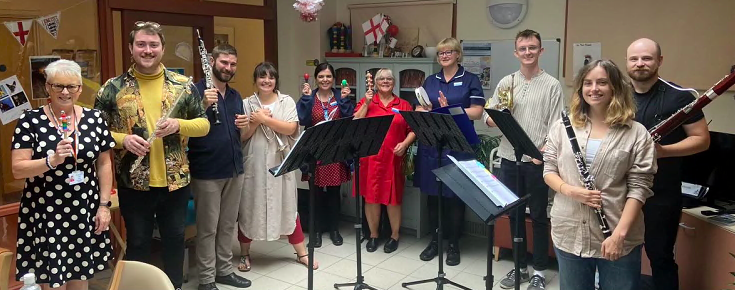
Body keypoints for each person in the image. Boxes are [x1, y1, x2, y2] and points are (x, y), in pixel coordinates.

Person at [94, 21, 210, 290]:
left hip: (175, 182)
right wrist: (124, 139)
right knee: (137, 243)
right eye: (141, 44)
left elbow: (203, 125)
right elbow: (97, 133)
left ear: (163, 49)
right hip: (133, 183)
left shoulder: (182, 85)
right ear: (131, 49)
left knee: (174, 240)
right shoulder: (112, 88)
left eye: (153, 45)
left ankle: (174, 287)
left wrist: (178, 124)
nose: (147, 50)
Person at [543, 59, 657, 290]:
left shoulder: (637, 133)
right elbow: (549, 170)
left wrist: (619, 236)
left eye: (602, 82)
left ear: (614, 87)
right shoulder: (562, 127)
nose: (594, 89)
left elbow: (639, 189)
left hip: (616, 233)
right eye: (588, 83)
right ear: (580, 88)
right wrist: (570, 190)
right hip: (569, 230)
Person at [11, 59, 114, 290]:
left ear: (80, 89)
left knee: (81, 277)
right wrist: (51, 160)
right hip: (46, 211)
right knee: (52, 281)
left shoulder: (95, 119)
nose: (65, 92)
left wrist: (104, 205)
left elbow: (104, 164)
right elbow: (18, 169)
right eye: (58, 86)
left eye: (72, 86)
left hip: (84, 209)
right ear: (47, 87)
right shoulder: (30, 120)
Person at [626, 38, 710, 290]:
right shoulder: (616, 95)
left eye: (647, 58)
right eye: (634, 59)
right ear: (627, 62)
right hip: (621, 191)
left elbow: (702, 140)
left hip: (661, 193)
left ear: (659, 61)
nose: (640, 64)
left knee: (660, 256)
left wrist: (662, 151)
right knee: (621, 255)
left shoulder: (680, 96)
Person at [483, 29, 563, 290]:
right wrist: (497, 115)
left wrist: (543, 153)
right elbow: (488, 117)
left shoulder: (552, 85)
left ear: (541, 51)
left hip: (537, 163)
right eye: (523, 48)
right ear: (516, 52)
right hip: (508, 158)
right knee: (514, 215)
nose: (528, 52)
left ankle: (539, 270)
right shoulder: (507, 82)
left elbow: (556, 127)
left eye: (533, 47)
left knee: (539, 216)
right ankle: (520, 267)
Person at [237, 62, 318, 270]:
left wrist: (263, 119)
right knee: (249, 206)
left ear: (275, 81)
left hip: (281, 161)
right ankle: (245, 254)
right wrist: (254, 122)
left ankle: (301, 254)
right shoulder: (246, 103)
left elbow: (291, 128)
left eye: (271, 77)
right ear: (255, 80)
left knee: (287, 206)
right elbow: (243, 136)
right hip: (254, 163)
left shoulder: (287, 101)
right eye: (262, 77)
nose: (266, 81)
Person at [414, 37, 485, 266]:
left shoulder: (470, 79)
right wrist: (425, 109)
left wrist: (450, 110)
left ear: (457, 55)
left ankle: (453, 244)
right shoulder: (430, 80)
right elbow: (419, 107)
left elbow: (476, 112)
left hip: (458, 145)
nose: (444, 56)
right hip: (432, 144)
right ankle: (435, 241)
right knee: (433, 196)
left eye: (449, 52)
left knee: (455, 196)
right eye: (441, 53)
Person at [189, 44, 252, 290]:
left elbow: (243, 136)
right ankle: (206, 279)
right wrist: (203, 104)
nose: (228, 68)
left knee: (227, 224)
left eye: (233, 64)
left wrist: (245, 124)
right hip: (207, 170)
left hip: (234, 168)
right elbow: (184, 128)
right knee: (207, 229)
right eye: (224, 62)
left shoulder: (236, 97)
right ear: (212, 61)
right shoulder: (195, 91)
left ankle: (224, 270)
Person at [354, 68, 416, 253]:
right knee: (371, 198)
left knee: (393, 199)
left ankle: (394, 236)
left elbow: (414, 129)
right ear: (376, 82)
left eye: (389, 78)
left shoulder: (404, 105)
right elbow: (355, 121)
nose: (385, 81)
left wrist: (404, 144)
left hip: (393, 159)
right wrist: (366, 102)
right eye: (381, 79)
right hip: (370, 159)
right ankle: (373, 235)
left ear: (394, 82)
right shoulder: (367, 102)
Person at [297, 62, 354, 248]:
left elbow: (349, 120)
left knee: (333, 193)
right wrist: (305, 99)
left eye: (329, 76)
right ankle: (315, 231)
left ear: (334, 79)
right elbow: (303, 120)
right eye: (321, 76)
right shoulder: (310, 97)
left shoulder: (340, 96)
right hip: (314, 152)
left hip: (336, 151)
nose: (325, 80)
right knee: (315, 194)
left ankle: (334, 229)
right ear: (315, 79)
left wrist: (346, 100)